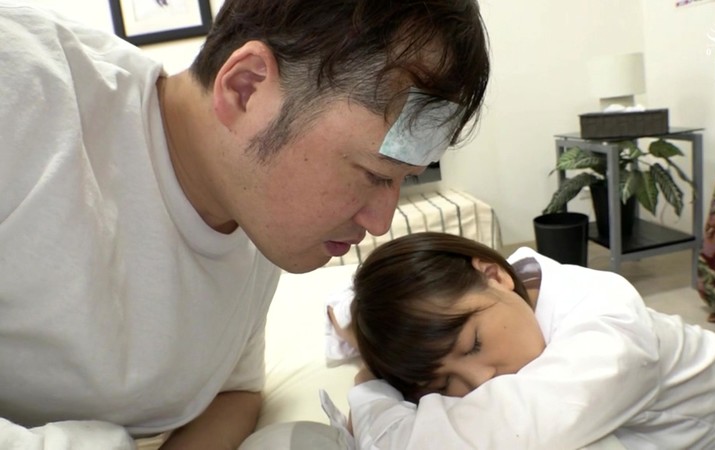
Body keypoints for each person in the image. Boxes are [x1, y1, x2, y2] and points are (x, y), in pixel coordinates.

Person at [0, 0, 489, 448]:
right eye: (374, 174)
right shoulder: (26, 87)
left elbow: (234, 391)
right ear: (245, 88)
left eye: (403, 180)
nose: (380, 223)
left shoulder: (256, 218)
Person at [342, 232, 715, 449]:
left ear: (495, 275)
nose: (481, 382)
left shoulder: (608, 330)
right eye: (445, 384)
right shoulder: (509, 294)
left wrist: (368, 390)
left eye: (474, 345)